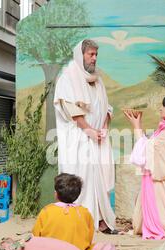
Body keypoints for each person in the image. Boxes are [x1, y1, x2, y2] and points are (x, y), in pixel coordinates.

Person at [53, 39, 117, 234]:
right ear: (81, 55)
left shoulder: (97, 81)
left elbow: (106, 107)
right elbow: (70, 107)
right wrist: (88, 129)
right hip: (78, 139)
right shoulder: (68, 78)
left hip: (96, 139)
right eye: (91, 54)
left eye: (96, 54)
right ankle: (79, 220)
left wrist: (103, 126)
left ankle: (99, 220)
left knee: (98, 179)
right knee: (81, 179)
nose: (94, 58)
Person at [124, 93, 165, 240]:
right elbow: (150, 148)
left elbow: (150, 150)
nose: (161, 109)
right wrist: (138, 126)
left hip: (163, 181)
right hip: (161, 180)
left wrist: (136, 127)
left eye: (164, 106)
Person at [32, 173, 95, 250]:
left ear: (56, 194)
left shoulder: (46, 211)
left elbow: (36, 236)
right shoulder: (85, 212)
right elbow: (89, 238)